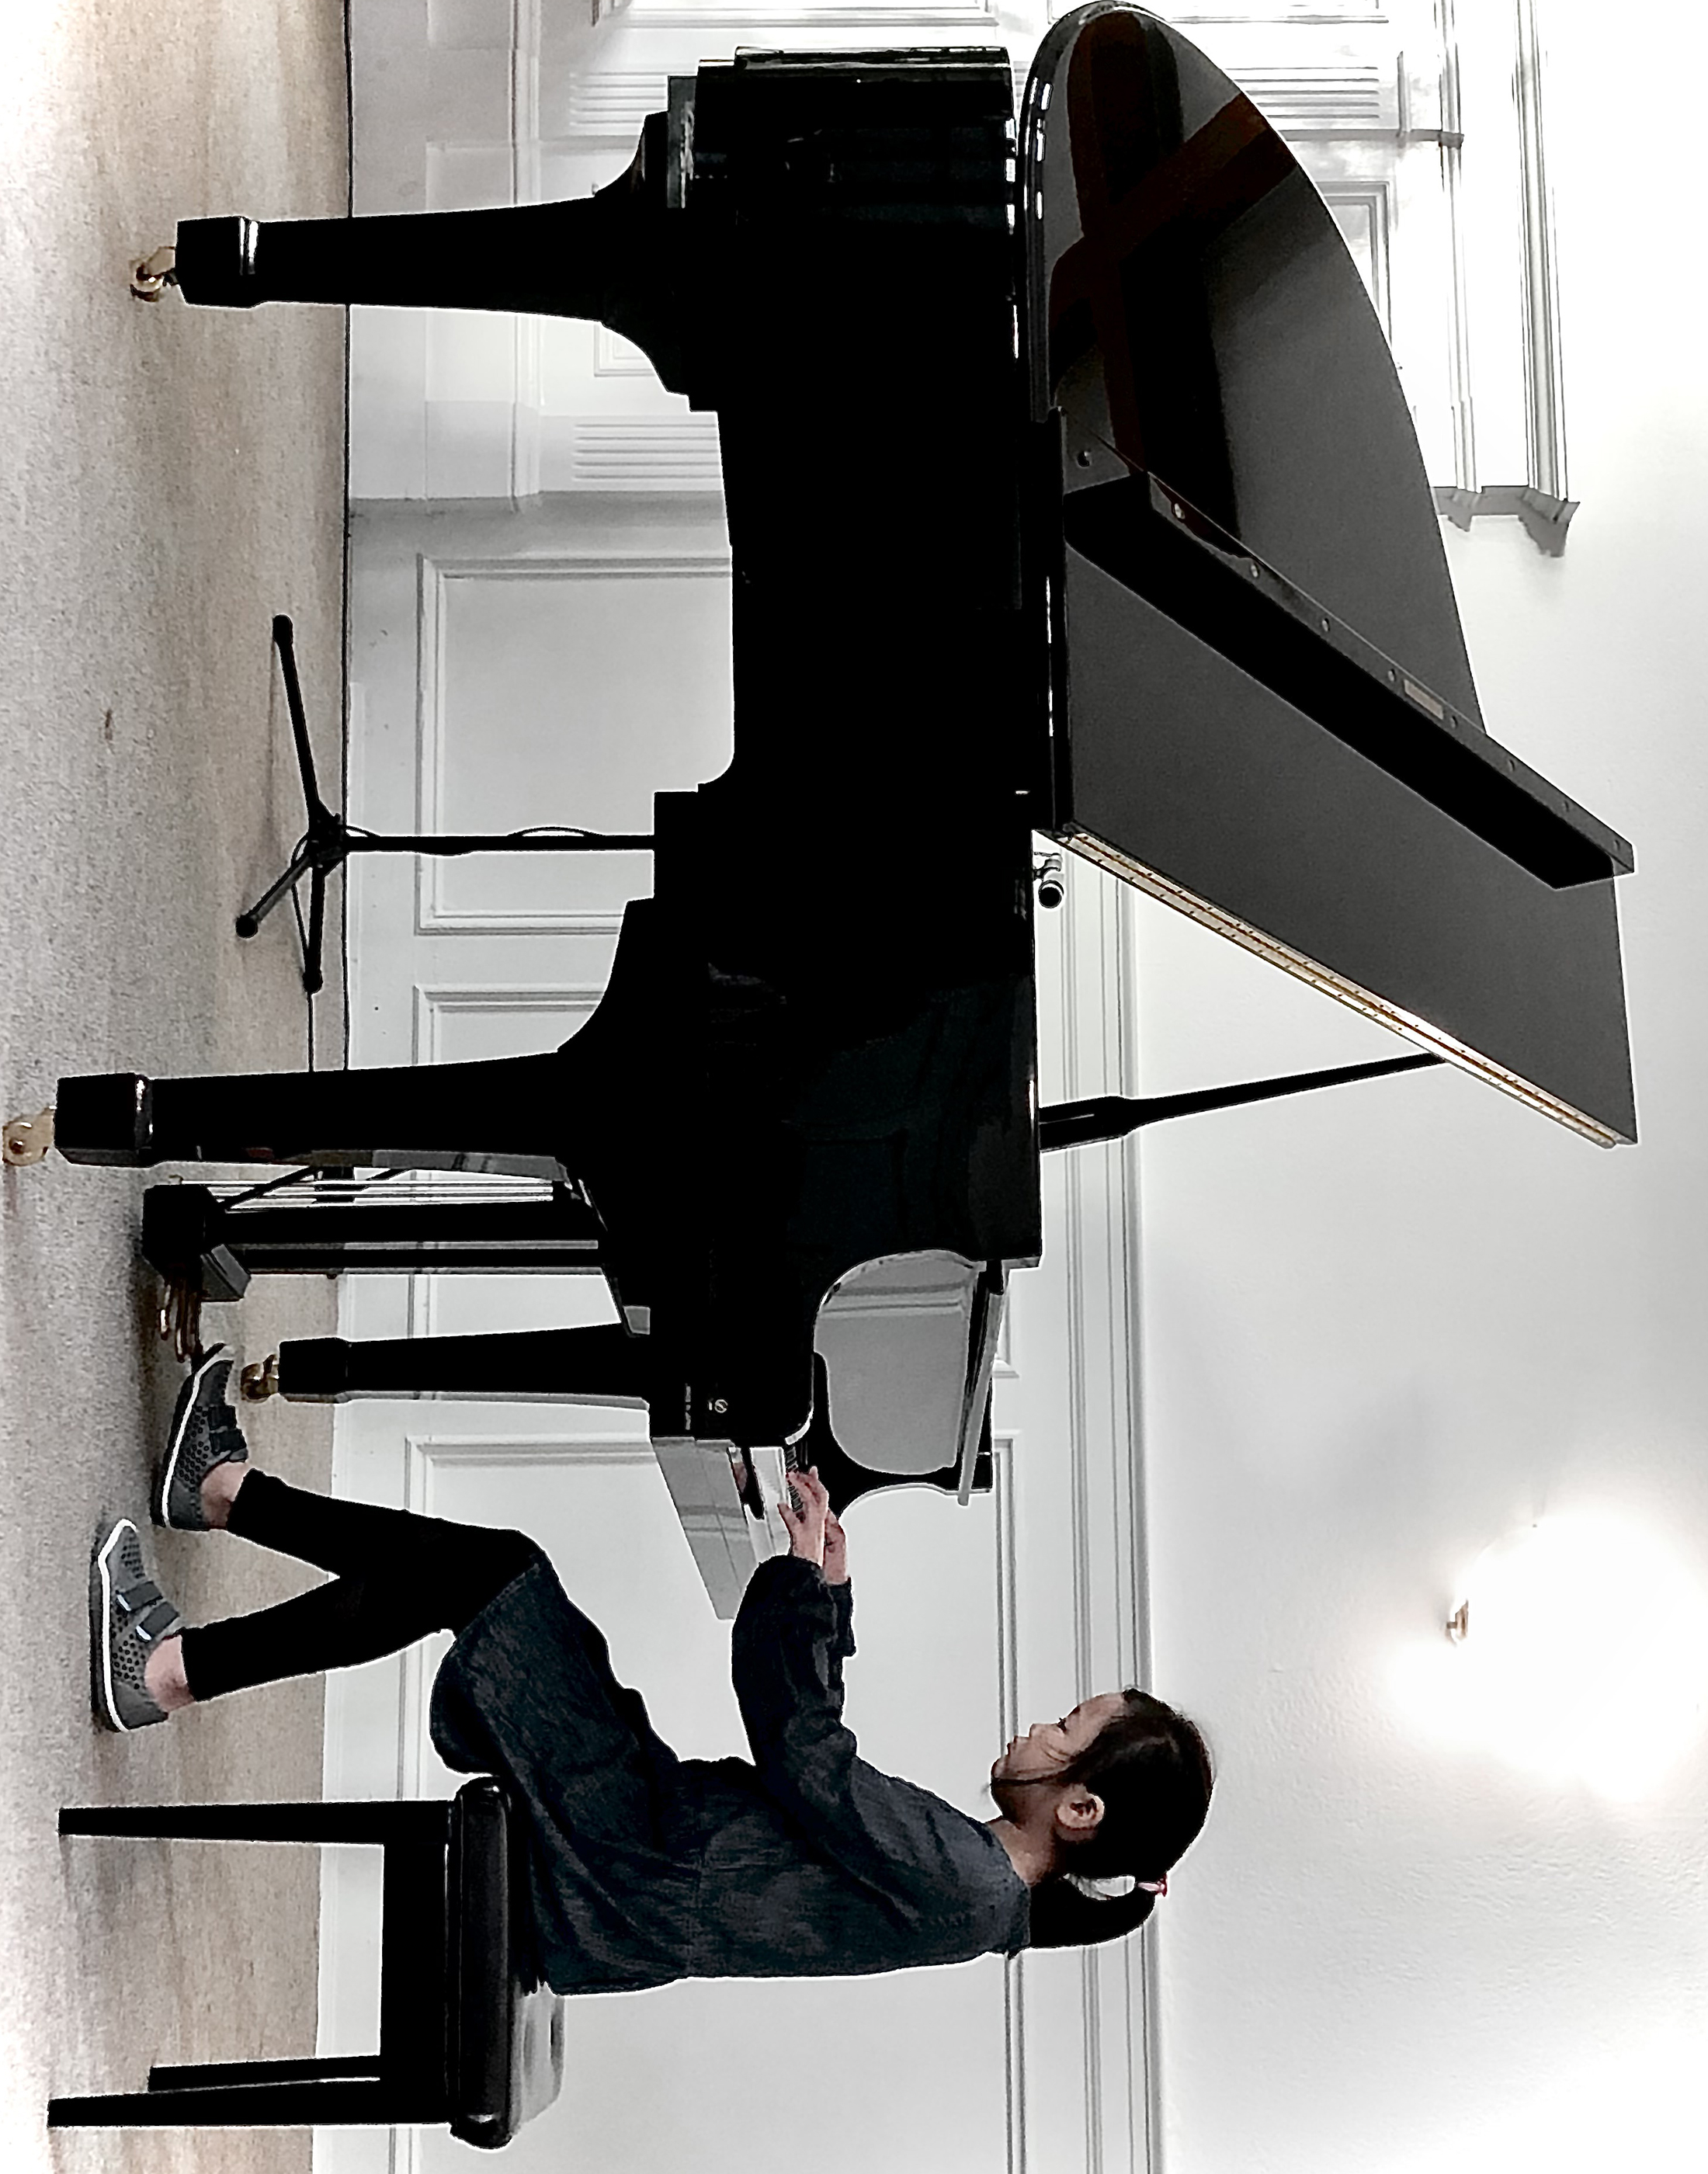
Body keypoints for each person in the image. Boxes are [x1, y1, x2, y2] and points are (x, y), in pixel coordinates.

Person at [90, 1348, 1214, 1987]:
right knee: (484, 1579)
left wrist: (805, 1590)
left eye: (1065, 1729)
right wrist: (821, 1598)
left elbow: (806, 1756)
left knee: (495, 1577)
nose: (1037, 1726)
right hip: (646, 1841)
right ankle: (209, 1534)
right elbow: (817, 1783)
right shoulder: (971, 1881)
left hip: (624, 1861)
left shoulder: (969, 1884)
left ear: (1079, 1807)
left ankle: (177, 1635)